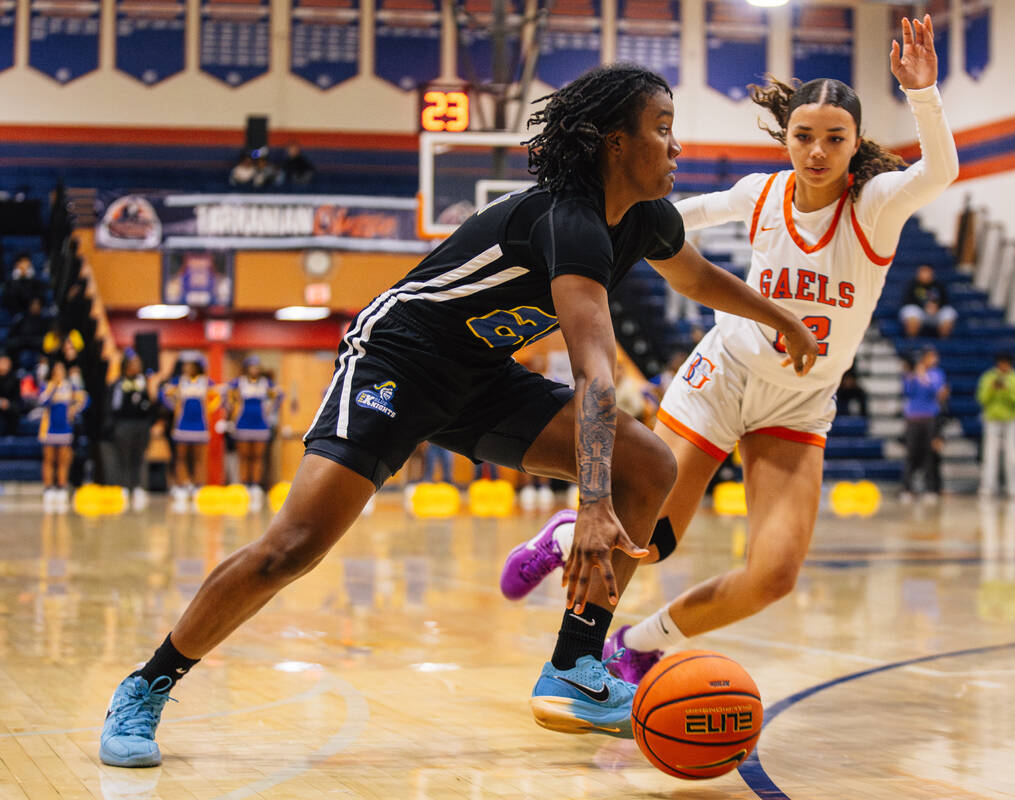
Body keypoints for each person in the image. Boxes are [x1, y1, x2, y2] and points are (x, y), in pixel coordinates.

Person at [98, 63, 816, 768]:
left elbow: (696, 275)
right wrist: (590, 506)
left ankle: (573, 665)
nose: (676, 145)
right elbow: (596, 370)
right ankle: (147, 684)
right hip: (399, 360)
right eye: (662, 129)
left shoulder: (646, 220)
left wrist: (780, 317)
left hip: (478, 375)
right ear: (614, 143)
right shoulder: (570, 221)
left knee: (648, 464)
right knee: (294, 548)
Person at [502, 15, 956, 681]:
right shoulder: (761, 194)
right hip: (724, 376)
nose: (819, 151)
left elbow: (940, 169)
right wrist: (596, 221)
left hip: (800, 403)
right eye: (805, 136)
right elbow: (678, 217)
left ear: (858, 144)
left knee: (773, 575)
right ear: (787, 139)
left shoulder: (875, 205)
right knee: (649, 541)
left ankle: (643, 642)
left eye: (836, 138)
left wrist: (923, 94)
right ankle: (566, 545)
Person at [162, 353, 218, 507]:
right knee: (181, 456)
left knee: (198, 457)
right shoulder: (179, 382)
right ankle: (183, 484)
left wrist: (210, 412)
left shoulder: (206, 382)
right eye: (185, 365)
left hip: (200, 424)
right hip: (183, 424)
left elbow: (218, 396)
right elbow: (165, 394)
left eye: (190, 365)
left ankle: (198, 485)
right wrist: (173, 410)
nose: (187, 368)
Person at [227, 355, 278, 509]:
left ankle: (255, 484)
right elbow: (225, 393)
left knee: (257, 456)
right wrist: (232, 409)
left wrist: (271, 409)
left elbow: (279, 395)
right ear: (246, 368)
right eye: (251, 366)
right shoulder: (238, 382)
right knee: (244, 456)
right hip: (242, 423)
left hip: (260, 423)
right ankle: (244, 483)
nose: (254, 369)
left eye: (256, 367)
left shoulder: (266, 383)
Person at [109, 351, 157, 511]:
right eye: (134, 363)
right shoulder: (119, 383)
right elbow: (114, 406)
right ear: (126, 365)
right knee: (123, 456)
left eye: (138, 363)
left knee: (139, 456)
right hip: (124, 424)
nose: (137, 366)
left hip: (141, 424)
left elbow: (150, 403)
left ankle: (137, 487)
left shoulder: (143, 381)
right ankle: (123, 486)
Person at [976, 352, 1015, 498]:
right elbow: (982, 398)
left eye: (1006, 363)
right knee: (990, 454)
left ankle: (1013, 486)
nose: (1003, 366)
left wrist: (1007, 390)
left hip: (1011, 419)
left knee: (1012, 454)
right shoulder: (988, 377)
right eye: (1001, 363)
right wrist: (993, 389)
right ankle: (988, 486)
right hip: (992, 419)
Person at [901, 346, 948, 502]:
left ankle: (930, 488)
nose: (934, 360)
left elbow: (937, 392)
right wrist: (914, 375)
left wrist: (923, 377)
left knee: (929, 454)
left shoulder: (937, 374)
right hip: (913, 417)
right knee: (912, 453)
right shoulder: (912, 374)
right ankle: (907, 488)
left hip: (929, 417)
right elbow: (907, 390)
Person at [38, 360, 86, 512]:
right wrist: (53, 387)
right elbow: (42, 401)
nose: (59, 372)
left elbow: (84, 399)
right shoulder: (48, 386)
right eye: (56, 370)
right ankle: (48, 487)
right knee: (49, 459)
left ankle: (61, 486)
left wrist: (74, 410)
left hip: (65, 428)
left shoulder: (70, 386)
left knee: (63, 460)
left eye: (61, 369)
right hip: (50, 428)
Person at [899, 263, 956, 338]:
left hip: (935, 313)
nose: (924, 274)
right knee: (911, 313)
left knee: (949, 312)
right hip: (919, 312)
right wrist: (924, 306)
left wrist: (937, 307)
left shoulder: (938, 285)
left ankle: (944, 343)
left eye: (927, 272)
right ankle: (910, 342)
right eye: (922, 272)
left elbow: (945, 301)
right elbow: (907, 302)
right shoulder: (912, 285)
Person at [0, 354, 22, 436]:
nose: (4, 365)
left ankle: (11, 435)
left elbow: (17, 399)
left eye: (6, 363)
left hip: (10, 405)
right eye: (2, 362)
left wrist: (8, 403)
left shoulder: (15, 379)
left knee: (14, 410)